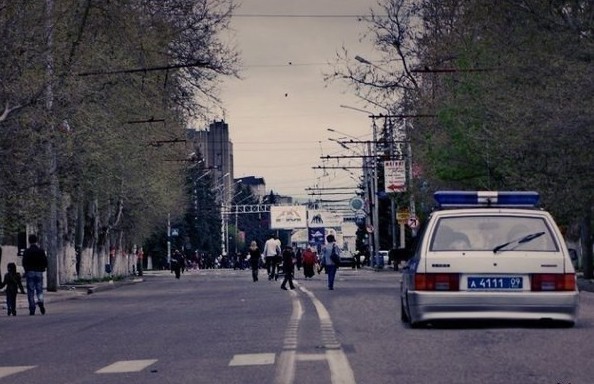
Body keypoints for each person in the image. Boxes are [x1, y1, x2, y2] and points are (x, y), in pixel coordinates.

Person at [22, 234, 48, 315]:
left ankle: (32, 308)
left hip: (30, 272)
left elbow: (24, 262)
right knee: (39, 290)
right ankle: (40, 301)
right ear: (36, 241)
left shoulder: (27, 251)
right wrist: (43, 268)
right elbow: (45, 262)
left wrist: (26, 270)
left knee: (30, 291)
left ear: (29, 241)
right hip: (39, 272)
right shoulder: (41, 251)